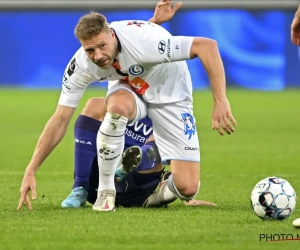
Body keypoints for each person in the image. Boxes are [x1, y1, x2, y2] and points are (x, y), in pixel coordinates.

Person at [18, 0, 237, 212]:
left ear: (112, 34)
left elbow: (207, 46)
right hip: (132, 91)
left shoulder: (146, 43)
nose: (98, 56)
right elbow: (60, 120)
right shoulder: (82, 65)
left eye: (102, 46)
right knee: (117, 106)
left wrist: (220, 100)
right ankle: (106, 192)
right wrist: (31, 169)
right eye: (90, 50)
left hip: (172, 96)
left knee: (187, 187)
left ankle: (159, 187)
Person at [61, 96, 215, 208]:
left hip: (135, 188)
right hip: (97, 183)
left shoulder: (168, 110)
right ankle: (80, 188)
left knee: (166, 133)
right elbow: (59, 120)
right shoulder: (119, 98)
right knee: (95, 103)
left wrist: (187, 194)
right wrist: (34, 167)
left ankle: (136, 166)